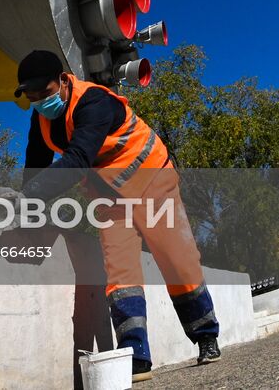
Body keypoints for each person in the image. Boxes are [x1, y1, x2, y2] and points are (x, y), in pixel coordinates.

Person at [14, 49, 220, 382]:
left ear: (64, 81)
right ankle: (136, 355)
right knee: (120, 272)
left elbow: (78, 158)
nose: (40, 102)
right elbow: (34, 166)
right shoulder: (41, 120)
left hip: (152, 178)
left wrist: (27, 196)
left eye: (45, 94)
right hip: (109, 195)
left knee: (177, 260)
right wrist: (25, 206)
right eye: (33, 97)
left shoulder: (94, 103)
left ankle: (206, 335)